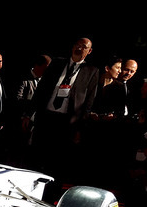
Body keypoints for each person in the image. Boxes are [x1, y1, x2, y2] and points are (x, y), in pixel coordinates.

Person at [32, 37, 98, 186]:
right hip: (46, 118)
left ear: (89, 51)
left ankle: (51, 197)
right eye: (77, 45)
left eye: (84, 47)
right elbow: (41, 89)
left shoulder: (91, 71)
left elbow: (88, 103)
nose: (79, 48)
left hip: (67, 123)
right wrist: (28, 113)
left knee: (57, 164)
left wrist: (80, 128)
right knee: (38, 157)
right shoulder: (57, 63)